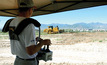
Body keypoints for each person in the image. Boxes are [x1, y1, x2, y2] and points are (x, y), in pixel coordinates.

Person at [3, 1, 51, 65]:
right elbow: (30, 51)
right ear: (29, 10)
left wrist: (33, 40)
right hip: (28, 62)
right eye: (32, 9)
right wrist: (43, 43)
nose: (32, 11)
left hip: (17, 61)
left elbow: (20, 39)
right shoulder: (29, 25)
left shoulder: (12, 22)